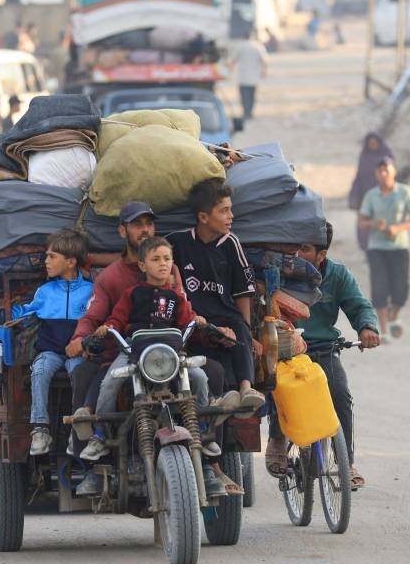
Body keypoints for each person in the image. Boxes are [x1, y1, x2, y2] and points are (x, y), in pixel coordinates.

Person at [66, 201, 233, 495]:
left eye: (149, 224)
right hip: (127, 350)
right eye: (137, 225)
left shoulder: (172, 274)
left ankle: (208, 459)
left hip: (167, 352)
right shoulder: (113, 278)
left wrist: (206, 327)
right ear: (123, 231)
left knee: (213, 372)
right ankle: (94, 466)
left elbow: (184, 311)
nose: (145, 230)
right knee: (85, 375)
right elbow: (97, 317)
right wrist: (81, 339)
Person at [274, 222, 380, 489]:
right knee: (278, 391)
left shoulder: (338, 275)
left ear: (321, 255)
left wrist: (367, 327)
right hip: (286, 349)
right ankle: (276, 441)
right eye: (296, 246)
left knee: (340, 395)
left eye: (306, 249)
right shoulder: (280, 271)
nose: (297, 253)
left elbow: (358, 304)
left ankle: (348, 463)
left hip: (323, 349)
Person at [0, 229, 92, 455]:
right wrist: (1, 314)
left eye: (52, 257)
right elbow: (23, 313)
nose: (46, 262)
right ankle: (40, 429)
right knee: (40, 368)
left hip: (77, 354)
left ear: (71, 262)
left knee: (81, 373)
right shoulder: (45, 291)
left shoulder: (90, 291)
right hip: (50, 352)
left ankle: (77, 431)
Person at [167, 180, 266, 413]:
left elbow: (243, 291)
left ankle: (245, 388)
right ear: (203, 217)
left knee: (240, 329)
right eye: (224, 211)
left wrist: (248, 332)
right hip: (191, 318)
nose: (231, 216)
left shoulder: (231, 243)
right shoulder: (178, 242)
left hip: (224, 317)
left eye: (230, 209)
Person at [358, 156, 410, 339]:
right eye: (380, 170)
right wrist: (374, 223)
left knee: (401, 289)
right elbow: (362, 222)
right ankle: (384, 330)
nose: (383, 173)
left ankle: (394, 316)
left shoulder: (405, 192)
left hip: (399, 246)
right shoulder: (371, 195)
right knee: (379, 288)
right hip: (377, 247)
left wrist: (398, 228)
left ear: (394, 171)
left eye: (387, 169)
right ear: (376, 174)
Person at [348, 132, 395, 253]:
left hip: (383, 195)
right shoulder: (364, 156)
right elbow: (359, 176)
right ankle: (367, 249)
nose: (373, 145)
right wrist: (355, 196)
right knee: (364, 223)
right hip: (365, 194)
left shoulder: (386, 156)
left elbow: (392, 178)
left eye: (375, 143)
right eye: (370, 143)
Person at [228, 31, 267, 120]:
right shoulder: (258, 46)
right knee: (252, 95)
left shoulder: (240, 46)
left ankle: (246, 112)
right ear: (252, 37)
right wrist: (264, 72)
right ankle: (250, 112)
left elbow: (232, 61)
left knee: (244, 96)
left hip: (243, 76)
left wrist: (229, 72)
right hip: (254, 76)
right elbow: (264, 60)